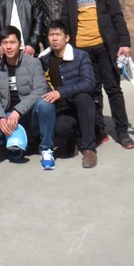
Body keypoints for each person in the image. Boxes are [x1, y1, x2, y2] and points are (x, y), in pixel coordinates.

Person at [61, 0, 134, 149]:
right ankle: (99, 130)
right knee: (93, 92)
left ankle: (122, 131)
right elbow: (65, 19)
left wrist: (124, 43)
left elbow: (117, 17)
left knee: (113, 89)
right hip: (82, 51)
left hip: (104, 47)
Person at [0, 27, 57, 170]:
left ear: (20, 43)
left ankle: (46, 149)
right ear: (1, 45)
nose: (8, 46)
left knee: (45, 103)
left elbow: (40, 90)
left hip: (29, 114)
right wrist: (1, 118)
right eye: (5, 43)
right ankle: (14, 142)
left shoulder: (33, 63)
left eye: (12, 42)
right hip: (8, 116)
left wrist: (18, 111)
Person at [39, 20, 98, 168]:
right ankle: (74, 139)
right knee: (60, 129)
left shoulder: (80, 56)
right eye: (51, 35)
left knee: (83, 97)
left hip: (80, 105)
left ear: (67, 38)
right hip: (62, 108)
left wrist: (61, 92)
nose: (54, 38)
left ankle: (89, 149)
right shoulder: (44, 59)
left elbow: (89, 83)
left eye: (58, 34)